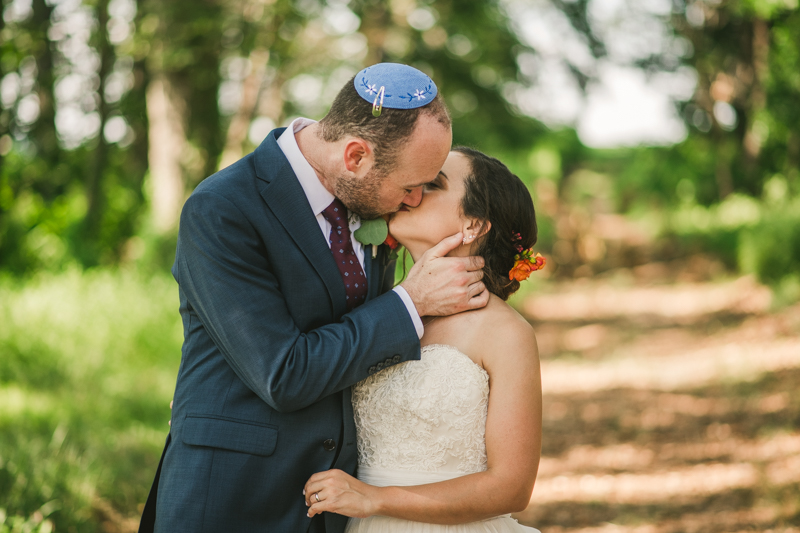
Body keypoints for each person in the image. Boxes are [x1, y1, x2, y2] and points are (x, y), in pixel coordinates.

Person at [138, 64, 490, 533]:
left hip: (334, 506)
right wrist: (411, 301)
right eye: (409, 187)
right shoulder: (222, 209)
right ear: (356, 156)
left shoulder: (367, 201)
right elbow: (283, 373)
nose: (413, 201)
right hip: (232, 497)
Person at [302, 147, 544, 532]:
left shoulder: (506, 333)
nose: (412, 193)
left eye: (432, 184)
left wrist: (376, 498)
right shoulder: (379, 309)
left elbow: (512, 488)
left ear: (474, 225)